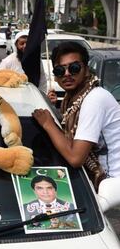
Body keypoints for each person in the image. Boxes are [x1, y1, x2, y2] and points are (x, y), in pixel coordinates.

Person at [32, 42, 120, 190]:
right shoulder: (71, 100)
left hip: (112, 185)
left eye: (74, 68)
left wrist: (48, 124)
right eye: (60, 70)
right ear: (55, 76)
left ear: (86, 70)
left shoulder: (94, 99)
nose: (67, 74)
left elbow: (75, 158)